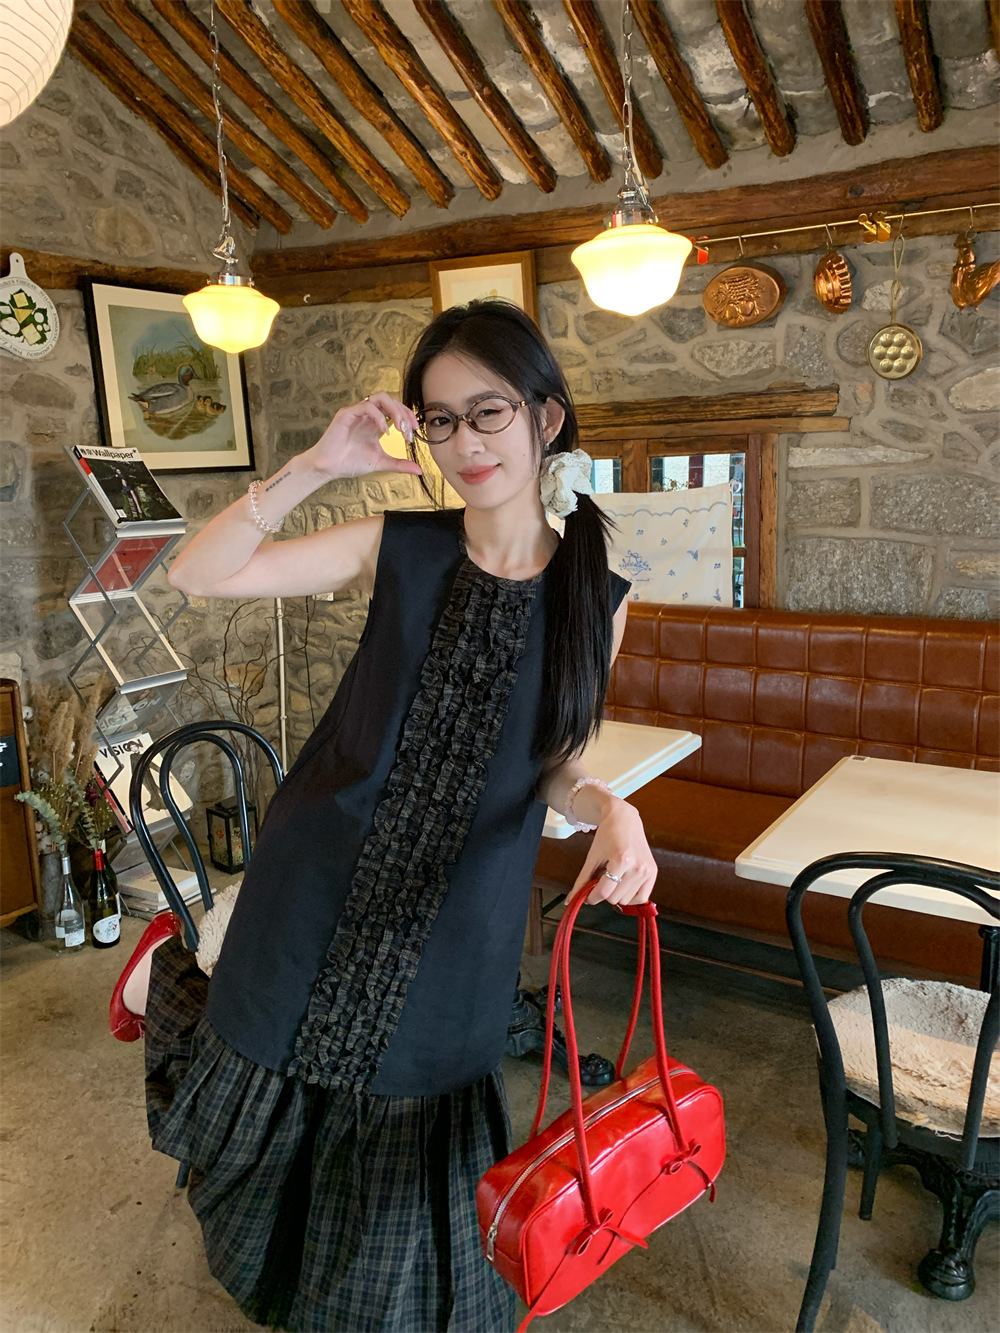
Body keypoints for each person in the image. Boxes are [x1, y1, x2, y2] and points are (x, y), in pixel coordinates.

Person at [109, 299, 658, 1332]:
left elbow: (555, 762)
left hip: (456, 918)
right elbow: (196, 574)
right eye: (440, 420)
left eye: (487, 412)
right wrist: (315, 466)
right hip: (314, 883)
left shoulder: (599, 594)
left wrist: (609, 808)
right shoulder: (397, 544)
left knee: (408, 1146)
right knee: (280, 1088)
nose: (465, 443)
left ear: (545, 417)